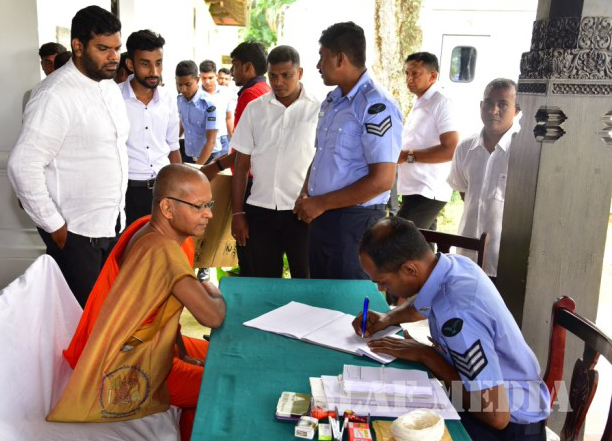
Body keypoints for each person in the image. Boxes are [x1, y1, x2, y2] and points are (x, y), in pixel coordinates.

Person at [47, 164, 225, 441]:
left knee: (225, 353)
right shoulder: (161, 250)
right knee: (226, 383)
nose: (209, 214)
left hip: (152, 342)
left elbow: (162, 311)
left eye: (210, 204)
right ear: (167, 208)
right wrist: (215, 292)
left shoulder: (145, 226)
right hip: (130, 362)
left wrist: (183, 350)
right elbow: (212, 316)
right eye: (200, 206)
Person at [353, 216, 550, 440]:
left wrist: (426, 355)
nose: (380, 288)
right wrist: (388, 317)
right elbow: (423, 305)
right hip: (490, 400)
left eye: (384, 282)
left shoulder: (458, 314)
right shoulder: (451, 267)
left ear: (409, 269)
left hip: (510, 426)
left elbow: (496, 415)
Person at [8, 5, 129, 308]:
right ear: (78, 46)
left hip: (110, 227)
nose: (113, 56)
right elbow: (23, 166)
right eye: (103, 49)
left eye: (116, 48)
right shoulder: (54, 95)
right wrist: (57, 229)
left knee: (105, 320)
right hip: (76, 235)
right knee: (81, 327)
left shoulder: (110, 89)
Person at [293, 22, 402, 280]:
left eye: (322, 57)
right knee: (320, 301)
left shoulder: (376, 105)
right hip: (322, 217)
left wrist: (320, 202)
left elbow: (383, 180)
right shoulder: (334, 101)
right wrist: (306, 193)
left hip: (354, 222)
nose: (319, 65)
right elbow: (322, 156)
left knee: (345, 306)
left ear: (341, 58)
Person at [231, 45, 318, 278]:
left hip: (301, 211)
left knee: (305, 278)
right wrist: (237, 213)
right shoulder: (254, 109)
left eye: (286, 75)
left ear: (299, 73)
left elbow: (321, 163)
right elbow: (240, 166)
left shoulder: (318, 111)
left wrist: (311, 197)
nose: (278, 82)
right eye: (273, 76)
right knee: (265, 280)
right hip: (260, 210)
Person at [200, 41, 270, 277]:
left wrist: (214, 167)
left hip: (250, 180)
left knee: (248, 250)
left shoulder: (251, 94)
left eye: (236, 66)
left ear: (248, 67)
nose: (233, 72)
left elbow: (243, 149)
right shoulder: (266, 91)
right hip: (262, 180)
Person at [447, 78, 520, 278]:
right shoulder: (465, 147)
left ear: (516, 110)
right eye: (488, 102)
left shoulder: (522, 151)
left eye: (503, 104)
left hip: (504, 260)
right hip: (466, 255)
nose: (493, 110)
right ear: (480, 105)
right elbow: (464, 193)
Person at [120, 29, 181, 226]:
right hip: (126, 192)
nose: (154, 71)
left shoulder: (168, 99)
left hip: (162, 191)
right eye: (145, 64)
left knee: (161, 252)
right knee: (129, 252)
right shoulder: (113, 98)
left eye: (159, 63)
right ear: (130, 64)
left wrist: (178, 190)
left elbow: (173, 147)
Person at [397, 52, 459, 230]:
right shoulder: (421, 101)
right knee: (423, 248)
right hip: (413, 188)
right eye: (407, 73)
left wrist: (407, 155)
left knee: (397, 239)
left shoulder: (441, 102)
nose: (409, 78)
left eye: (415, 73)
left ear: (433, 76)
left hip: (428, 190)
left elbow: (451, 149)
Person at [176, 60, 219, 165]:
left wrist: (198, 167)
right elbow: (183, 122)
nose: (183, 89)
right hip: (188, 155)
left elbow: (211, 141)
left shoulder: (209, 104)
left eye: (187, 84)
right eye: (179, 84)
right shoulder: (180, 100)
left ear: (197, 79)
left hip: (207, 158)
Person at [199, 59, 235, 155]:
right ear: (199, 77)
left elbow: (229, 117)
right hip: (202, 140)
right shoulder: (196, 94)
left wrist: (234, 139)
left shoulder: (226, 92)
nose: (207, 81)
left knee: (221, 169)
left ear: (216, 75)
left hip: (223, 138)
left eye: (210, 78)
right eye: (204, 78)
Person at [22, 42, 68, 112]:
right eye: (48, 63)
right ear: (42, 65)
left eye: (57, 63)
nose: (53, 68)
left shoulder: (76, 91)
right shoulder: (31, 95)